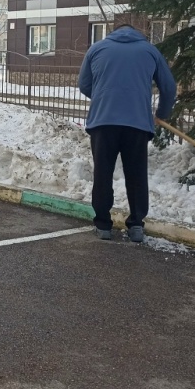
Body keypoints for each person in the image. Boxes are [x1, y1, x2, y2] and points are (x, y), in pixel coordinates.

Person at [78, 23, 176, 243]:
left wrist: (105, 96)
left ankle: (103, 225)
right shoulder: (150, 50)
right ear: (138, 33)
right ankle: (136, 225)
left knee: (103, 173)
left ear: (113, 32)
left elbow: (84, 84)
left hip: (103, 122)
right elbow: (169, 87)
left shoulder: (97, 48)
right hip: (137, 123)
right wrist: (162, 113)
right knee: (136, 174)